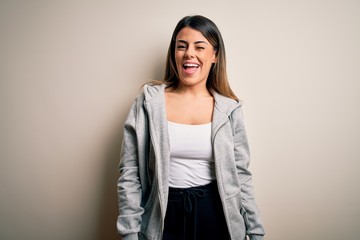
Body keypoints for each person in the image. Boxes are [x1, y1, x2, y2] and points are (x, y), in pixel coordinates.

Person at [117, 15, 265, 240]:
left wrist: (255, 231)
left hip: (215, 214)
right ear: (173, 53)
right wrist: (129, 232)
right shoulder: (148, 102)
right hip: (163, 214)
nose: (189, 54)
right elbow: (130, 173)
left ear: (214, 55)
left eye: (199, 46)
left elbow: (241, 176)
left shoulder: (229, 109)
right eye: (181, 46)